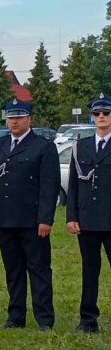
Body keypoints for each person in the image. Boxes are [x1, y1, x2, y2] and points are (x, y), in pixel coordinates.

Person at [0, 98, 60, 331]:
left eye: (19, 117)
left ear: (29, 119)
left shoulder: (43, 146)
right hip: (6, 219)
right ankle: (15, 316)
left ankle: (44, 319)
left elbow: (50, 185)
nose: (14, 121)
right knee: (13, 270)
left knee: (38, 270)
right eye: (10, 117)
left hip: (32, 220)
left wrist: (45, 219)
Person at [66, 92, 111, 333]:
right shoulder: (80, 146)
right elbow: (73, 185)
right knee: (89, 271)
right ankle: (88, 319)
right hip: (87, 220)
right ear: (91, 117)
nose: (101, 116)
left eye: (106, 113)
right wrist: (71, 216)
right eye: (97, 113)